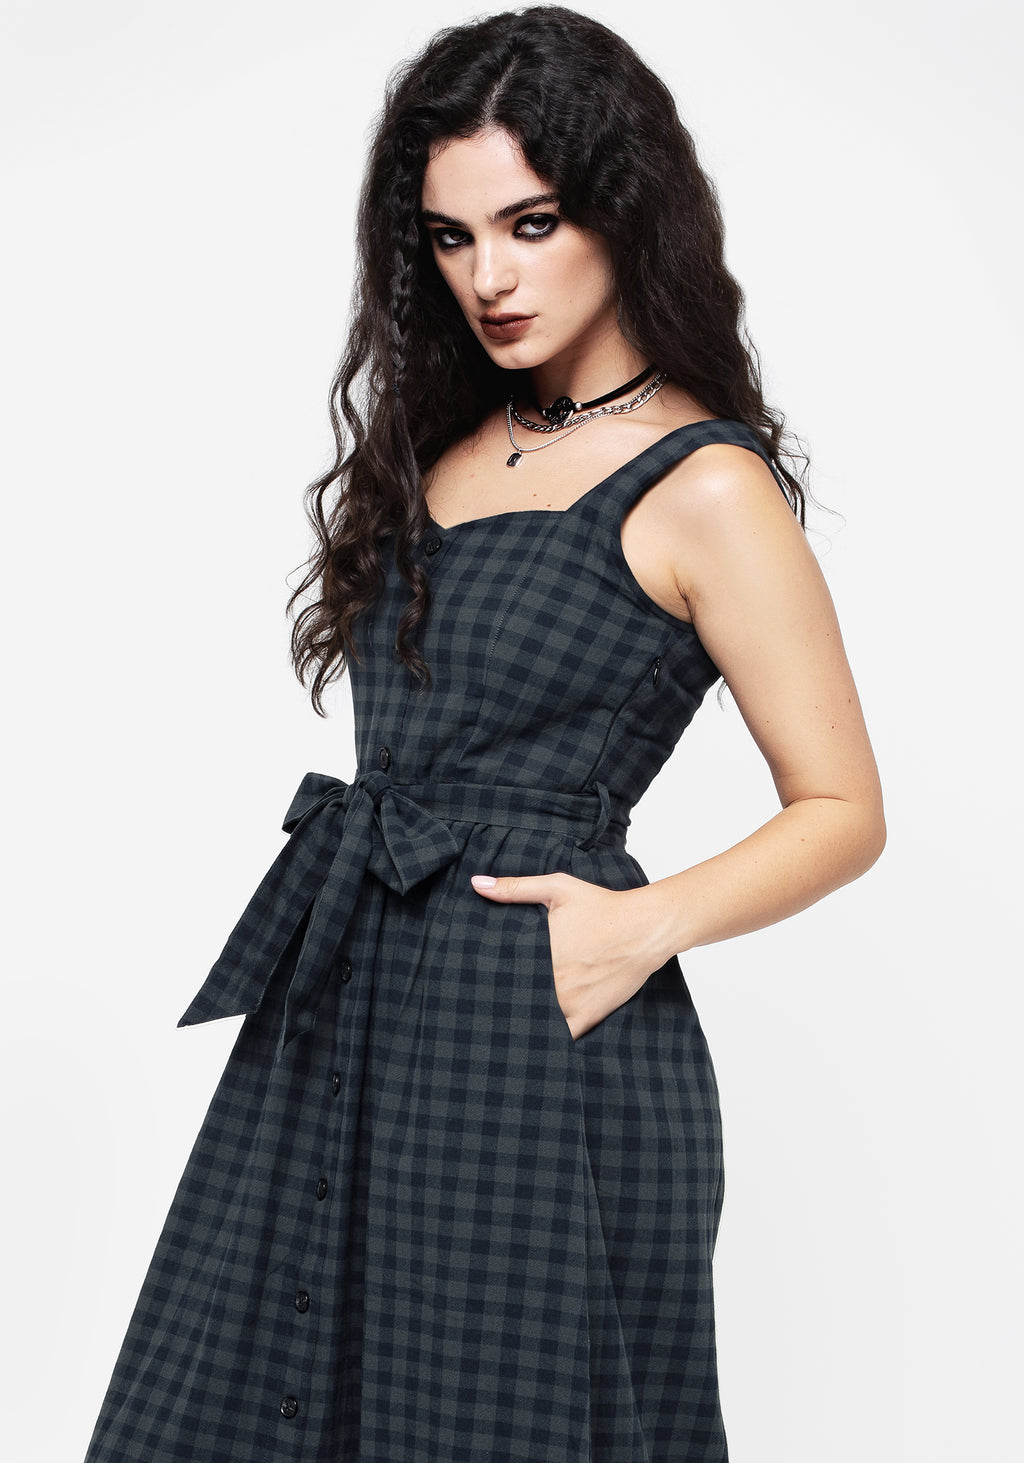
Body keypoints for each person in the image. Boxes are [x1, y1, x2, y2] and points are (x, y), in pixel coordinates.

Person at [83, 7, 885, 1462]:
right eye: (452, 238)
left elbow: (842, 808)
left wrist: (638, 929)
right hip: (344, 987)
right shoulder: (445, 442)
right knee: (237, 1399)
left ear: (622, 213)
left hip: (531, 1020)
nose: (490, 278)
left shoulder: (704, 486)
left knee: (492, 1422)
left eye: (531, 223)